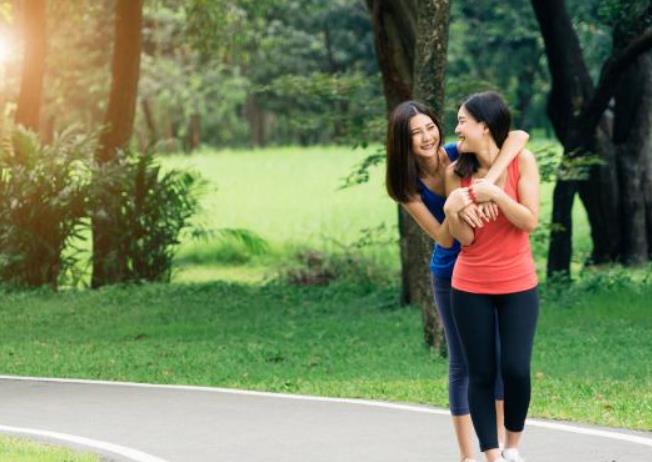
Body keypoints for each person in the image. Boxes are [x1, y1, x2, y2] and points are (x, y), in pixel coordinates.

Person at [385, 100, 529, 462]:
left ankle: (496, 448)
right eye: (415, 133)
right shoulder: (405, 186)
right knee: (464, 363)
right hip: (451, 272)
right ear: (403, 141)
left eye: (430, 127)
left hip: (489, 265)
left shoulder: (455, 153)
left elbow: (518, 136)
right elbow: (444, 238)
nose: (427, 136)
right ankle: (468, 455)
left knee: (498, 358)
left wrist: (488, 184)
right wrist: (455, 203)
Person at [444, 91, 539, 462]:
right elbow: (466, 241)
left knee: (515, 368)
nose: (457, 129)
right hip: (470, 286)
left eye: (463, 121)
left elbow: (529, 220)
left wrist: (495, 195)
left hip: (518, 283)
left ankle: (512, 446)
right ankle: (491, 455)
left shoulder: (522, 162)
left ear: (485, 126)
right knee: (480, 372)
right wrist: (454, 211)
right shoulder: (457, 174)